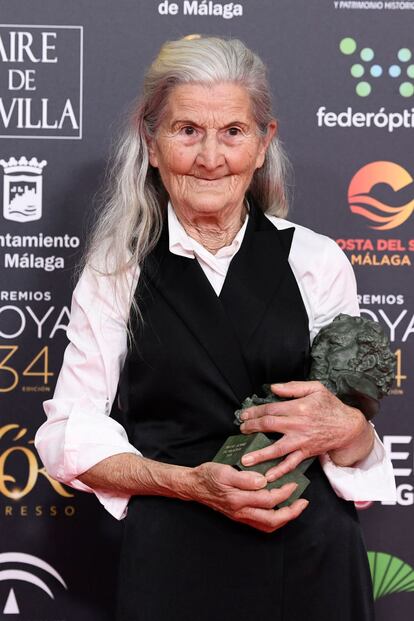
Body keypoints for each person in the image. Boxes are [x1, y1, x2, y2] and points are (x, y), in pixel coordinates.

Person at [35, 36, 396, 621]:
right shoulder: (116, 271)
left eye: (232, 131)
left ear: (262, 144)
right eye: (186, 131)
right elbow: (67, 436)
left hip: (310, 558)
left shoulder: (317, 258)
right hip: (175, 554)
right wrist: (189, 484)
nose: (210, 157)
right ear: (151, 144)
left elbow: (354, 441)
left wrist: (349, 425)